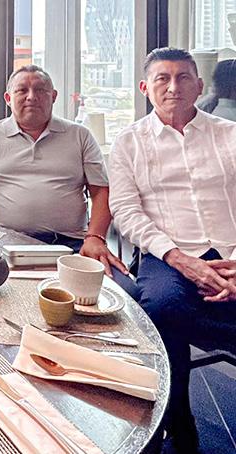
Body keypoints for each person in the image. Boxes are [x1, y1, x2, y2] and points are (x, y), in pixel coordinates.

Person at [109, 47, 236, 453]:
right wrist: (180, 259)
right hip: (167, 255)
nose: (173, 87)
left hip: (230, 249)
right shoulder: (129, 142)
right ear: (145, 88)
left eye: (183, 78)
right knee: (162, 307)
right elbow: (126, 212)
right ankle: (179, 422)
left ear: (199, 86)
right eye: (162, 79)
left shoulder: (229, 135)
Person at [0, 65, 127, 279]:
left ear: (53, 96)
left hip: (71, 244)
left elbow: (101, 190)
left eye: (40, 90)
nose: (31, 97)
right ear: (8, 98)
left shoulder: (79, 135)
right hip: (8, 244)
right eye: (22, 90)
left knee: (122, 289)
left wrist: (95, 237)